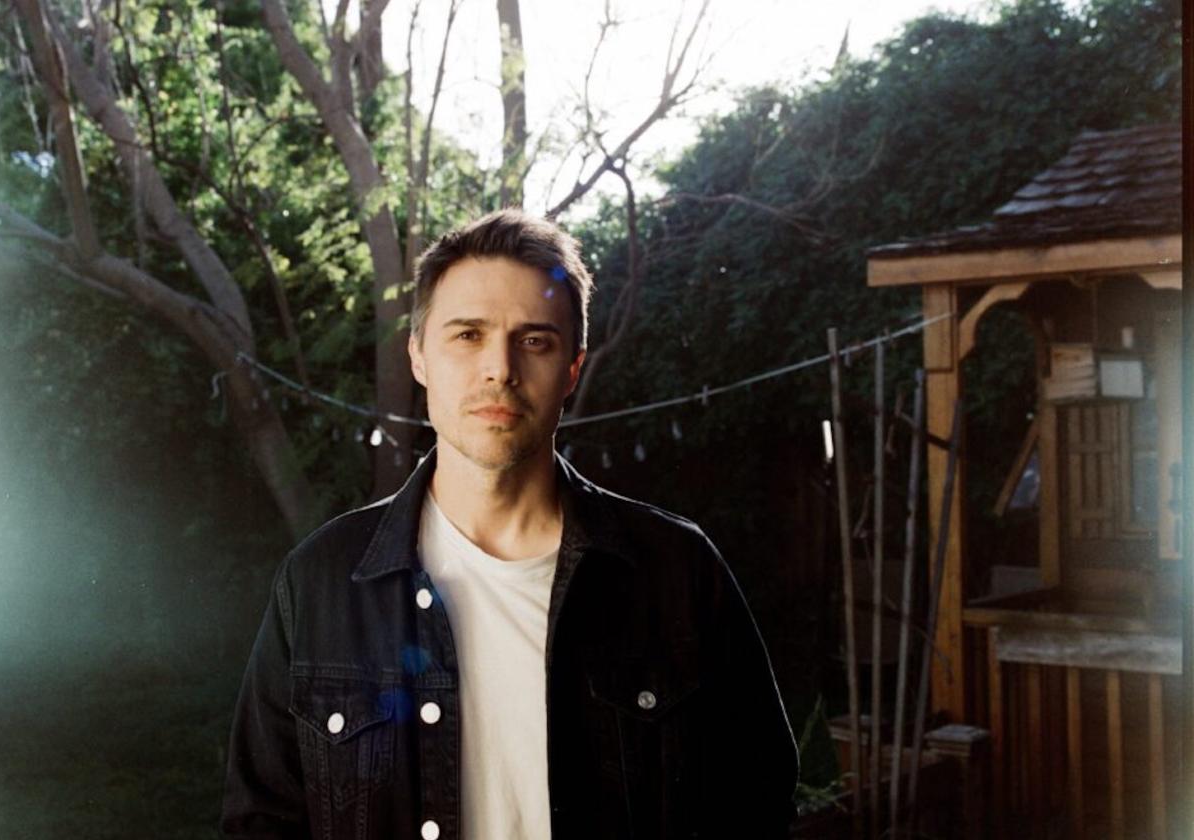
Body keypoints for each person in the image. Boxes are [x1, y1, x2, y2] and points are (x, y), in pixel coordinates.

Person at [221, 209, 798, 840]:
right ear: (418, 357)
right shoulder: (320, 583)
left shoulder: (678, 572)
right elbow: (262, 822)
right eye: (467, 335)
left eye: (534, 340)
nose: (499, 368)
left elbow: (756, 804)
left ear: (572, 368)